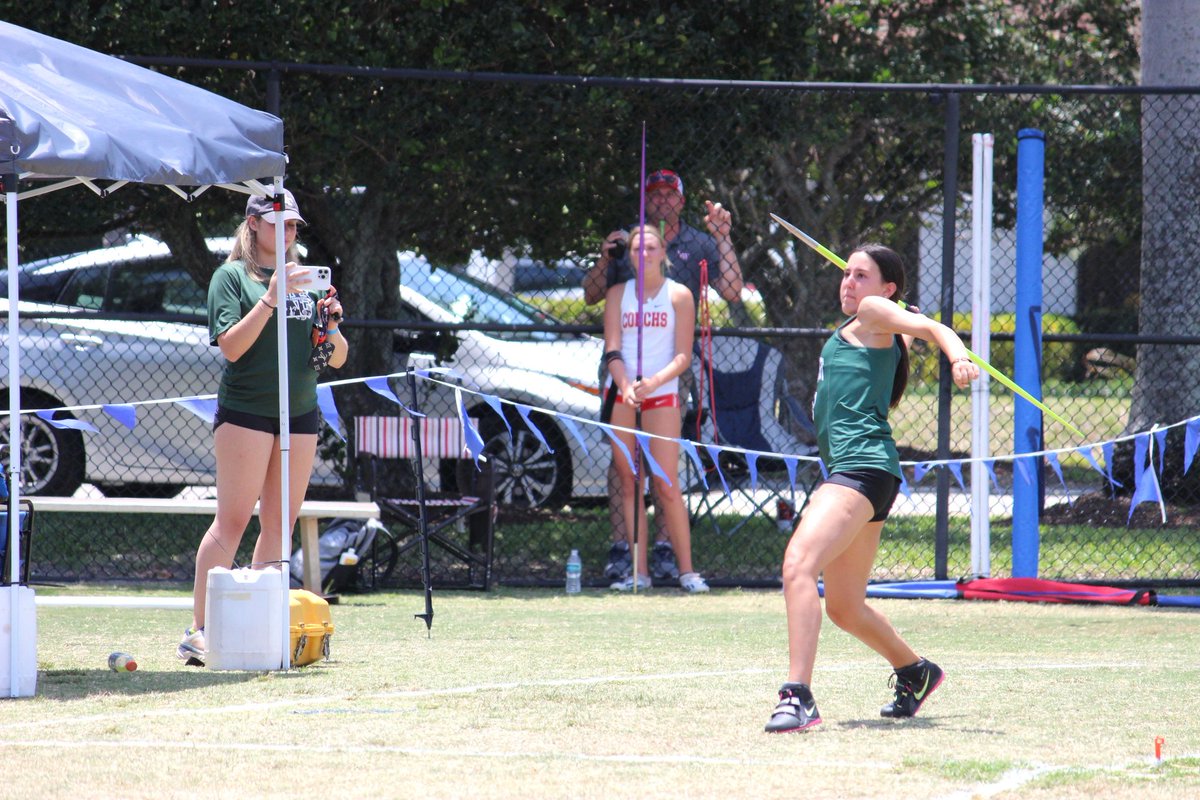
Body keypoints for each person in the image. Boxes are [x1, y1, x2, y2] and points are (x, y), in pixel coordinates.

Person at [763, 244, 979, 732]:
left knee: (798, 565)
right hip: (869, 474)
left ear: (887, 289)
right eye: (846, 274)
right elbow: (910, 331)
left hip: (860, 471)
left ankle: (797, 696)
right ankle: (915, 671)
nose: (849, 283)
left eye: (861, 275)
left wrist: (957, 354)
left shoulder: (872, 311)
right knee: (843, 606)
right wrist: (906, 324)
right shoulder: (873, 329)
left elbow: (933, 327)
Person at [177, 189, 348, 665]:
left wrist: (330, 325)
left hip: (300, 414)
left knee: (279, 523)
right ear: (253, 224)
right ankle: (201, 630)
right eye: (279, 223)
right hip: (247, 411)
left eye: (293, 225)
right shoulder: (231, 277)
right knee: (232, 520)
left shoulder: (308, 281)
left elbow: (336, 357)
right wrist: (271, 299)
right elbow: (232, 346)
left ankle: (257, 625)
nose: (288, 232)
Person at [584, 169, 745, 586]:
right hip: (623, 376)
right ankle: (624, 553)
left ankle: (666, 552)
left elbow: (731, 290)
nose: (661, 201)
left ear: (681, 200)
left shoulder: (697, 243)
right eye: (653, 195)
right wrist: (606, 257)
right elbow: (591, 294)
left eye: (669, 195)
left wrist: (723, 236)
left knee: (663, 467)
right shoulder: (624, 242)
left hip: (670, 375)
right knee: (624, 468)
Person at [602, 224, 708, 593]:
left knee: (666, 486)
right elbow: (612, 349)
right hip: (625, 396)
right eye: (636, 249)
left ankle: (688, 572)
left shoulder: (679, 295)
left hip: (662, 396)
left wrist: (653, 382)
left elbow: (683, 355)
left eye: (649, 248)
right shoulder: (617, 294)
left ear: (663, 253)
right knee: (630, 485)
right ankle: (639, 572)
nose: (642, 255)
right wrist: (626, 385)